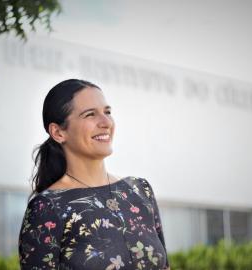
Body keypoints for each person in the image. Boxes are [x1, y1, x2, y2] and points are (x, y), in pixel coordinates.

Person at [18, 79, 170, 270]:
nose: (106, 122)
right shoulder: (47, 208)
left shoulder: (139, 190)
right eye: (90, 114)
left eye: (107, 112)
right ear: (58, 132)